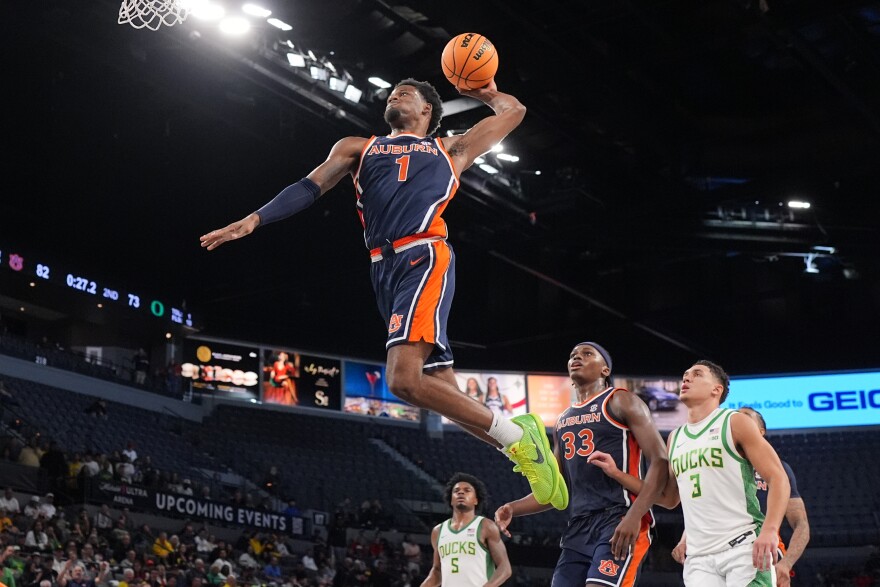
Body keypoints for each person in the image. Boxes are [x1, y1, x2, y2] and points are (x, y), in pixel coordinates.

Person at [200, 78, 566, 508]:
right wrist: (255, 219)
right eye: (393, 93)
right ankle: (527, 454)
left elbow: (513, 111)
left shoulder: (452, 149)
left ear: (428, 110)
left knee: (402, 380)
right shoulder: (358, 147)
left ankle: (520, 439)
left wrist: (482, 89)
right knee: (440, 388)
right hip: (383, 269)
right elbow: (308, 187)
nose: (395, 95)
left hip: (422, 255)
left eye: (407, 93)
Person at [593, 361, 791, 587]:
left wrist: (770, 531)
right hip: (699, 557)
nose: (686, 378)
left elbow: (778, 478)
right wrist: (617, 474)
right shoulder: (675, 437)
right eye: (686, 374)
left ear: (716, 389)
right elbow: (668, 498)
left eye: (697, 374)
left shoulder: (734, 422)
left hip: (742, 547)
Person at [494, 342, 669, 587]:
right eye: (573, 355)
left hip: (619, 516)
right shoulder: (562, 420)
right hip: (579, 525)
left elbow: (660, 460)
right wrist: (513, 508)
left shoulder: (621, 401)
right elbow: (557, 488)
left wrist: (634, 516)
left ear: (605, 370)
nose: (577, 357)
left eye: (587, 354)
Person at [670, 406, 810, 587]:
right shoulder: (719, 463)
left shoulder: (779, 470)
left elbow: (801, 524)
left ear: (760, 431)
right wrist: (685, 538)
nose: (737, 421)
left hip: (760, 547)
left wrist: (786, 563)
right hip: (711, 549)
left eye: (745, 418)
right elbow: (707, 506)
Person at [421, 473, 511, 587]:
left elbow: (505, 568)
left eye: (467, 490)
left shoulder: (486, 526)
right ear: (451, 500)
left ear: (476, 500)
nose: (461, 492)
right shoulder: (438, 531)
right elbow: (437, 571)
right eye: (456, 491)